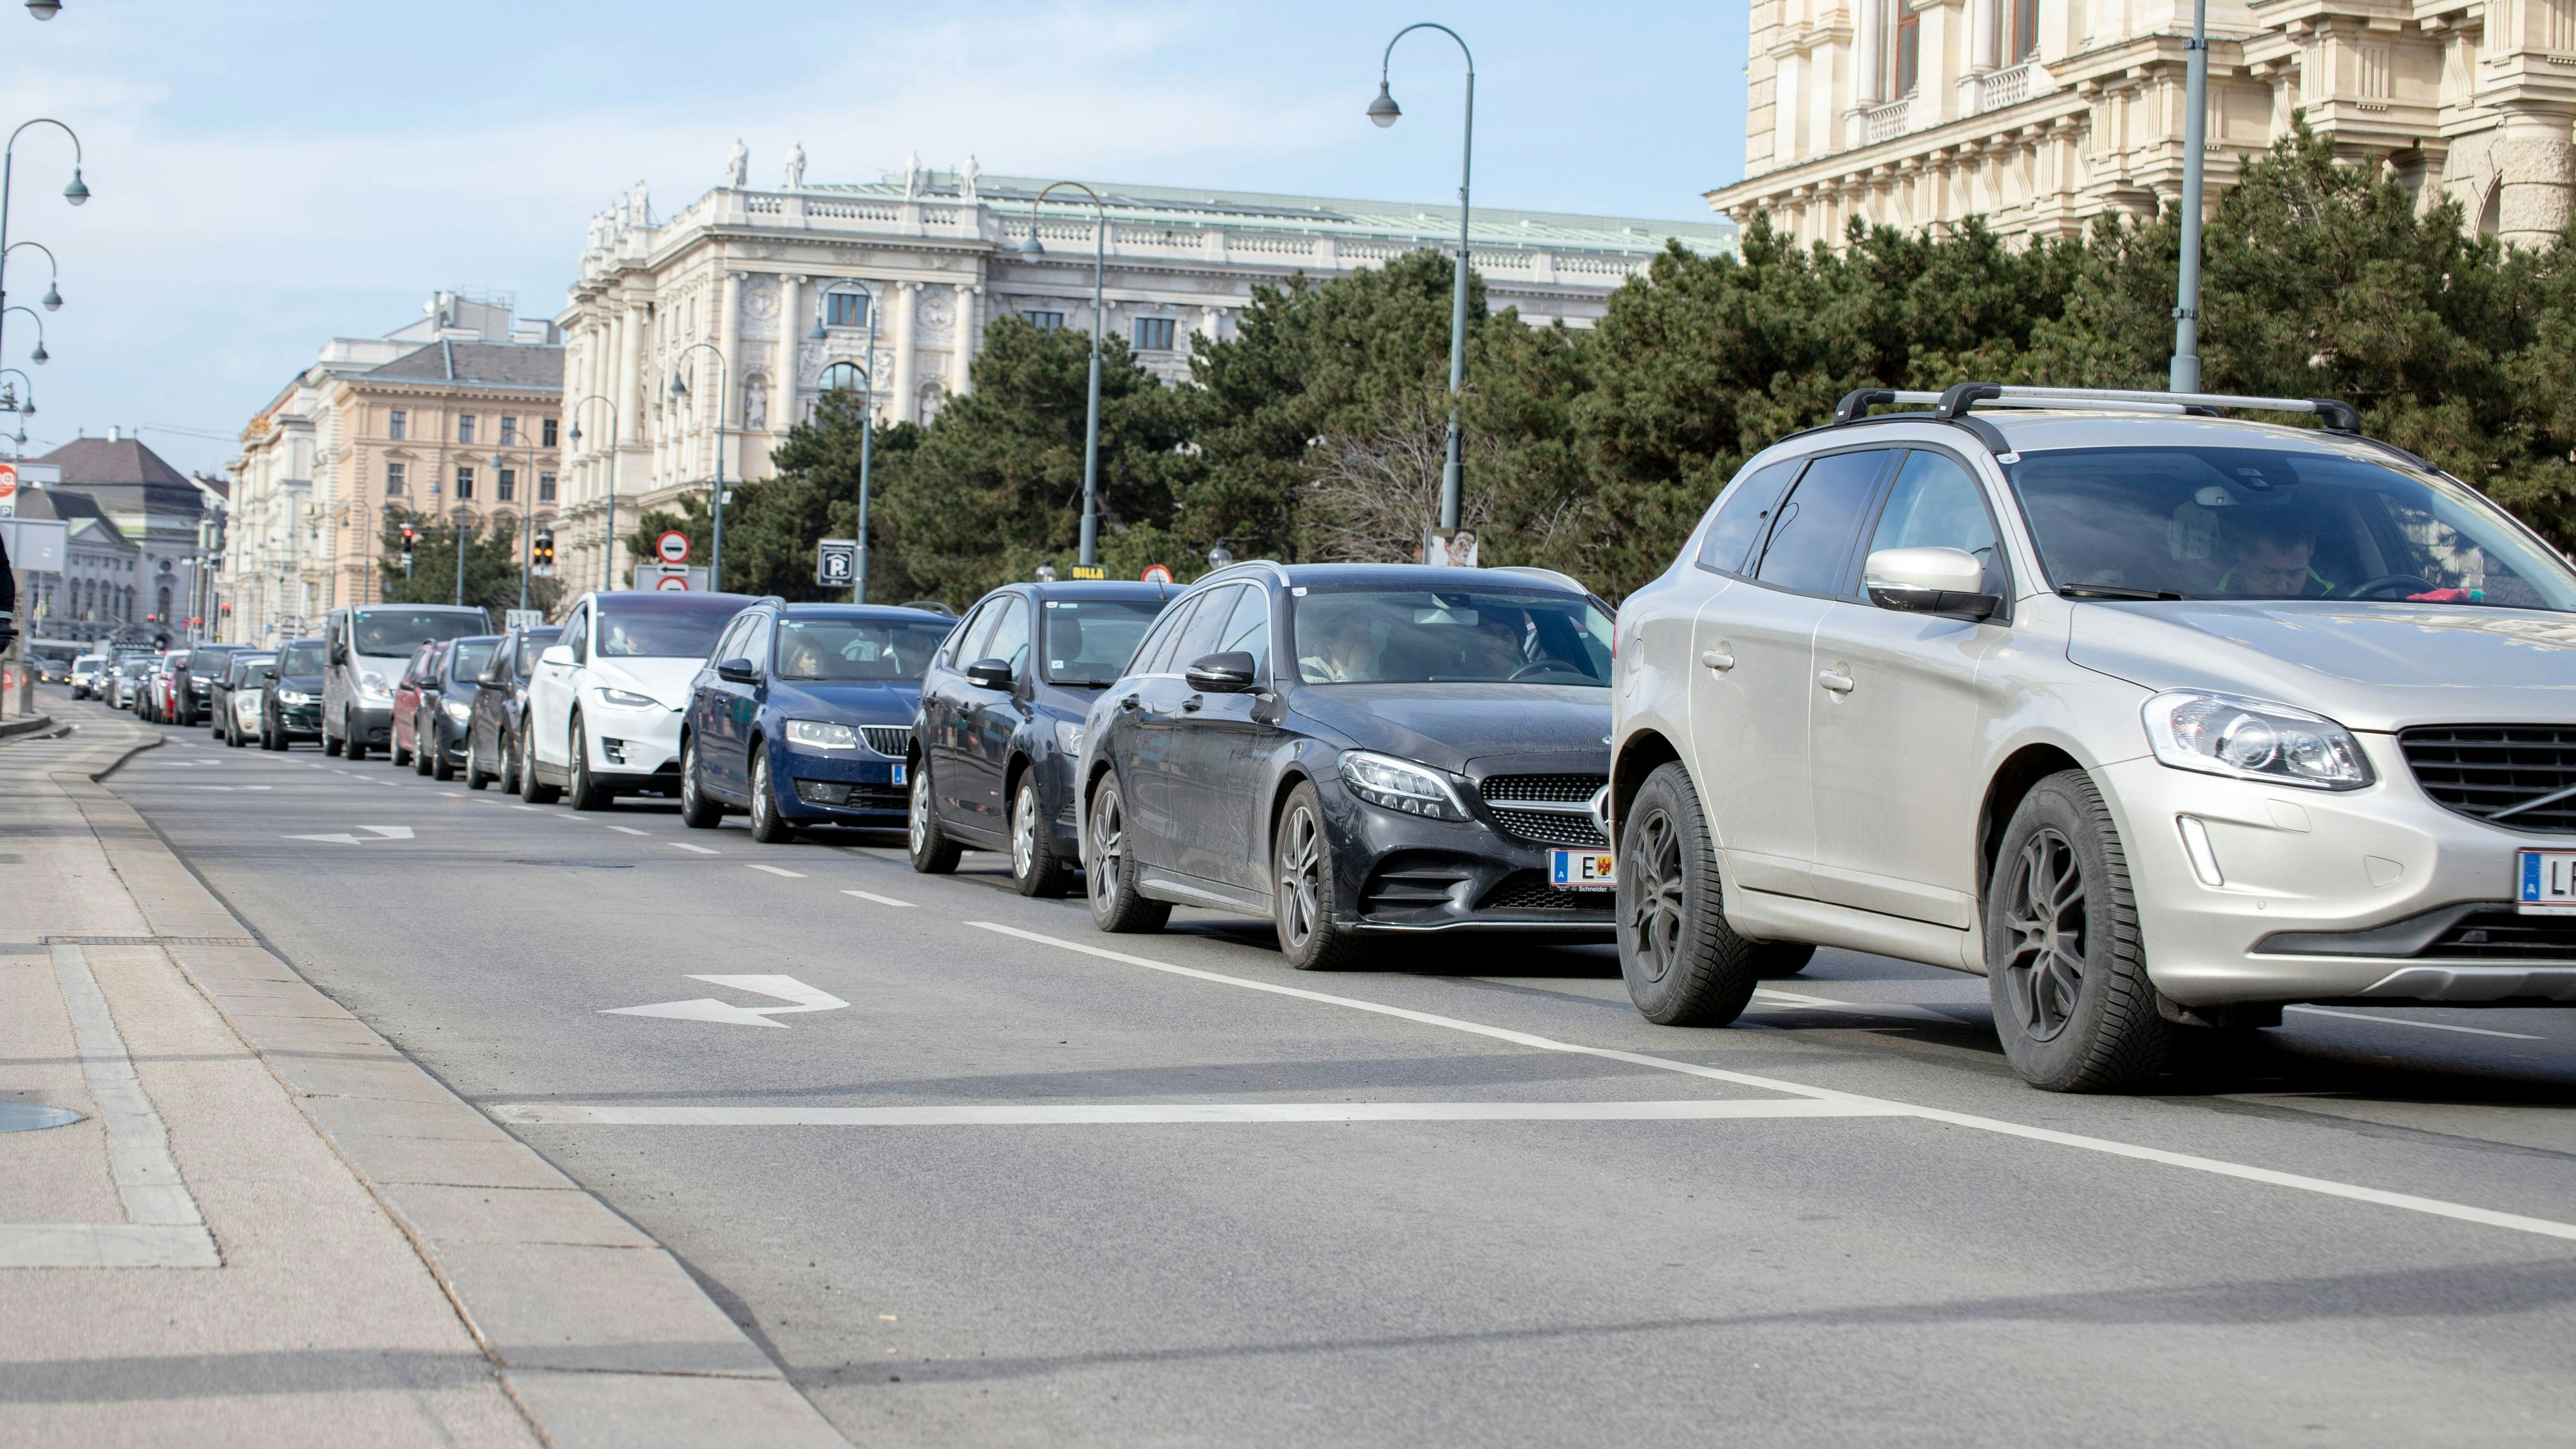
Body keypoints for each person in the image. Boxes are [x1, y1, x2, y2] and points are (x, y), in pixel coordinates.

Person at [2219, 511, 2337, 598]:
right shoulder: (2206, 590)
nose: (2282, 587)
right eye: (2269, 572)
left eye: (2294, 573)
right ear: (2242, 556)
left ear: (2310, 554)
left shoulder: (2339, 599)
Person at [1299, 612, 1378, 683]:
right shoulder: (1309, 669)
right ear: (1330, 643)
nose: (1363, 641)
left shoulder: (1375, 678)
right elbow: (1341, 699)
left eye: (1367, 634)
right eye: (1354, 634)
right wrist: (1355, 671)